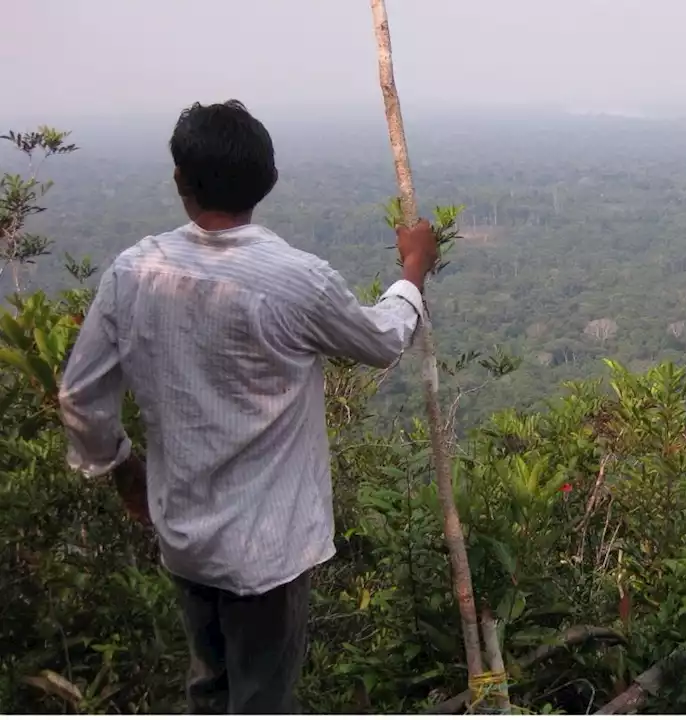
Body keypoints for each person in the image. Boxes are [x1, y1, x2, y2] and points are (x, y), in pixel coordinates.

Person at [57, 99, 438, 714]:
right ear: (268, 180)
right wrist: (414, 270)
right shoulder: (296, 279)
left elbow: (79, 396)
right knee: (261, 698)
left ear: (180, 181)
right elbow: (382, 340)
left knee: (210, 684)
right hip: (268, 551)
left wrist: (123, 469)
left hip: (183, 535)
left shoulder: (135, 272)